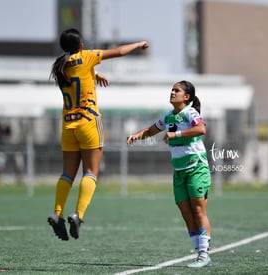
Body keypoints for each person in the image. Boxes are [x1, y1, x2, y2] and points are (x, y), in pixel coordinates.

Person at [47, 28, 149, 241]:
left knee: (67, 174)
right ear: (81, 45)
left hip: (68, 126)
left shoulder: (60, 66)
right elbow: (119, 52)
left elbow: (78, 75)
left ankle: (57, 213)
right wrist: (138, 45)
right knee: (91, 172)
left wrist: (94, 74)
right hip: (89, 123)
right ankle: (78, 215)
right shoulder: (87, 57)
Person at [127, 80, 212, 268]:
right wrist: (136, 136)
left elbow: (201, 129)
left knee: (198, 211)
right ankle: (199, 253)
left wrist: (176, 135)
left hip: (196, 167)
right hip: (179, 170)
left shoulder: (190, 112)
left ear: (186, 97)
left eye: (177, 90)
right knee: (186, 213)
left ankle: (204, 254)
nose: (172, 92)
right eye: (172, 90)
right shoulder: (167, 117)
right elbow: (150, 131)